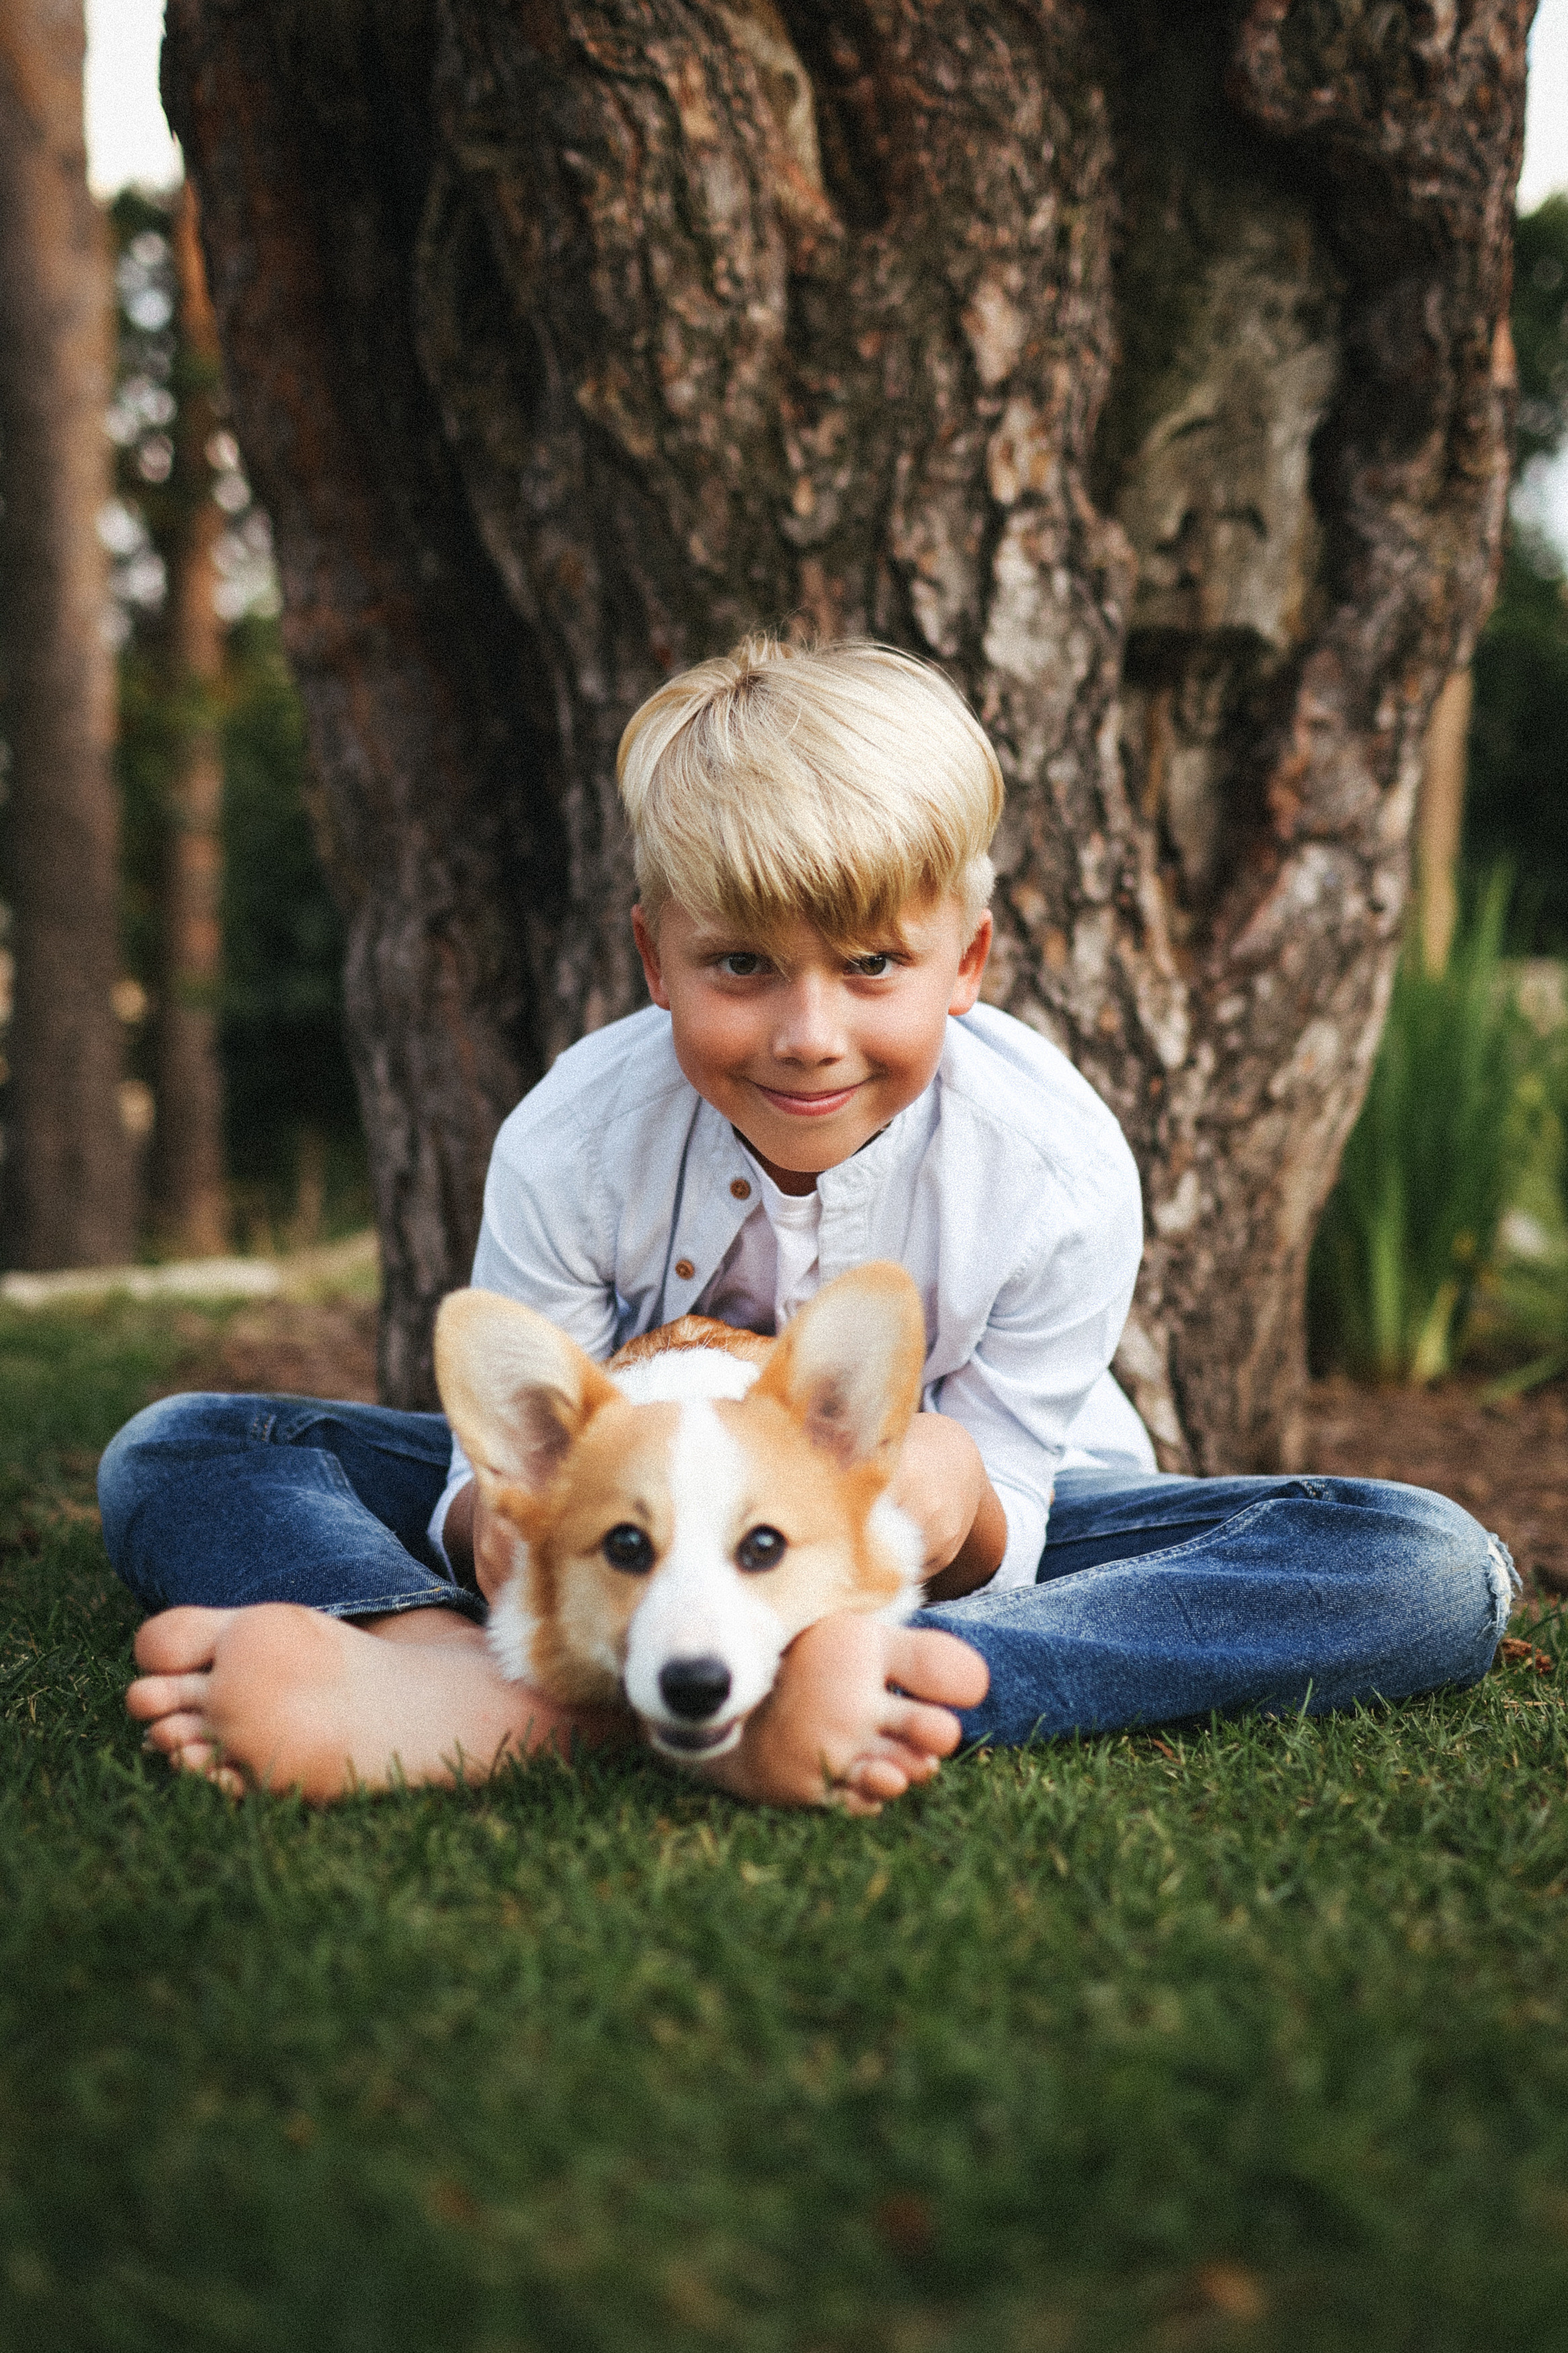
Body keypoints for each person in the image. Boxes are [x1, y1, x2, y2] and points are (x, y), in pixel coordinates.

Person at [99, 637, 1516, 1812]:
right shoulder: (574, 1140)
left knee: (1426, 1563)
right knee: (186, 1446)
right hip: (620, 1536)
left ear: (964, 962)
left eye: (871, 964)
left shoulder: (1054, 1165)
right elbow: (510, 1469)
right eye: (742, 966)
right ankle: (443, 1661)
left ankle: (801, 1691)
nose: (809, 1034)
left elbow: (1011, 1511)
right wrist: (517, 1541)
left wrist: (933, 1493)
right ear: (654, 954)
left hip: (979, 1541)